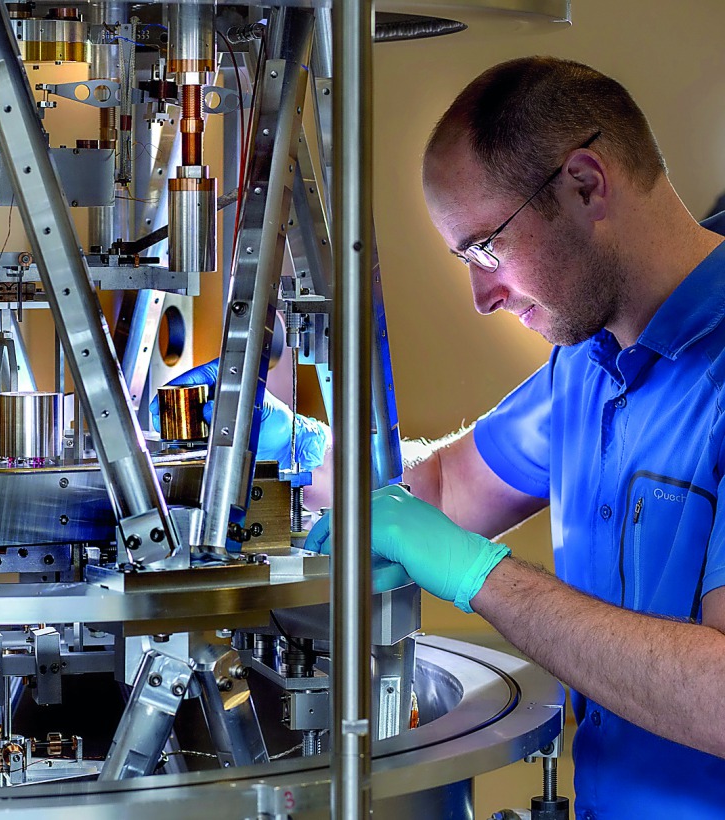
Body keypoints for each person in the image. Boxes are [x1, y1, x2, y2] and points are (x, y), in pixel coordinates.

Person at [166, 57, 725, 816]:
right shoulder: (588, 365)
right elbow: (443, 489)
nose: (482, 297)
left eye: (486, 248)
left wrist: (483, 578)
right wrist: (281, 449)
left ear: (585, 184)